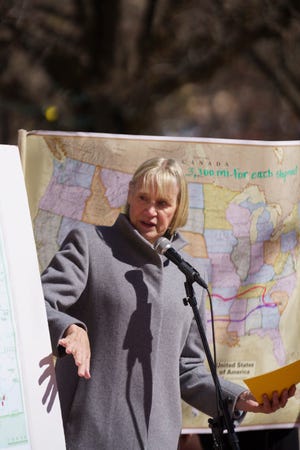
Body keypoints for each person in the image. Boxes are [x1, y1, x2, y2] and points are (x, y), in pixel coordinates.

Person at [42, 157, 295, 450]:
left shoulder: (186, 274)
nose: (150, 211)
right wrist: (70, 328)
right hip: (88, 436)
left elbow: (187, 369)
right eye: (143, 198)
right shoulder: (90, 244)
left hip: (156, 441)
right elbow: (40, 301)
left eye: (162, 203)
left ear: (177, 210)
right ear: (130, 195)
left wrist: (240, 398)